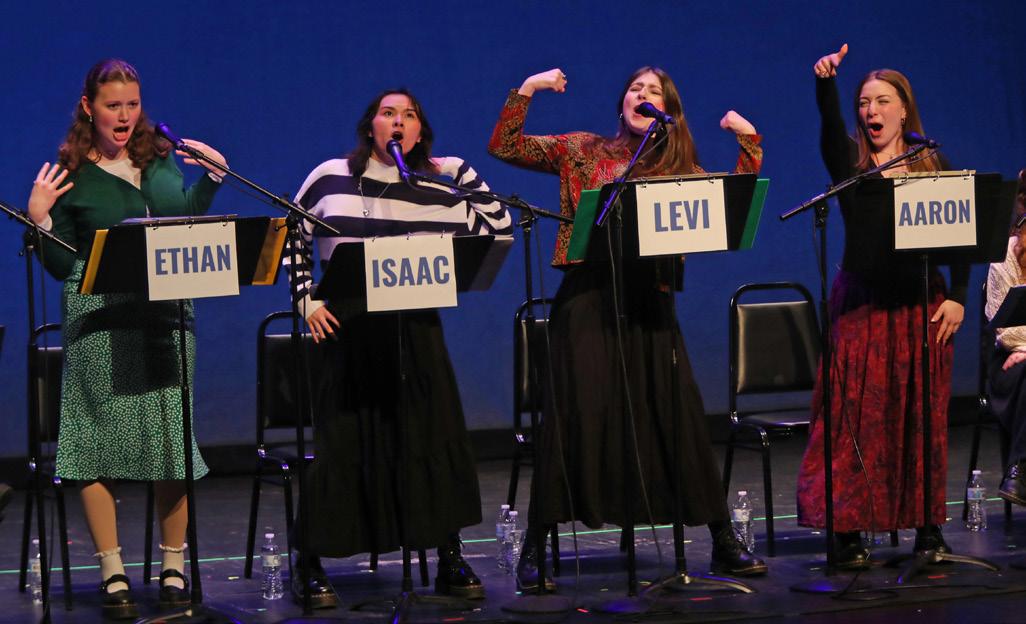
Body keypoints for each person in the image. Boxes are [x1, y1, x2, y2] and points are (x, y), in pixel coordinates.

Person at [488, 66, 767, 590]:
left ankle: (723, 541)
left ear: (668, 112)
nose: (643, 95)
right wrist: (529, 89)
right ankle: (535, 548)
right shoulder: (582, 150)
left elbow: (735, 204)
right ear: (622, 104)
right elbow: (505, 145)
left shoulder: (680, 171)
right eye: (636, 89)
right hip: (587, 300)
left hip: (651, 305)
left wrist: (747, 140)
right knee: (572, 419)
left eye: (654, 91)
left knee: (678, 414)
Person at [285, 88, 512, 607]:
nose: (398, 121)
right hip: (349, 331)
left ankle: (448, 554)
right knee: (342, 446)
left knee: (431, 438)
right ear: (371, 126)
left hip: (417, 330)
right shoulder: (330, 177)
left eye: (409, 115)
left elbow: (498, 229)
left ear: (419, 133)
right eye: (388, 113)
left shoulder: (437, 187)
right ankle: (310, 560)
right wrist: (305, 301)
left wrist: (461, 171)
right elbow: (291, 235)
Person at [26, 59, 227, 617]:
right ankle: (111, 569)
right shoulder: (71, 174)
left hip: (166, 315)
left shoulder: (160, 160)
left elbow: (184, 222)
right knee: (95, 442)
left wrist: (211, 179)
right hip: (100, 320)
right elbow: (59, 265)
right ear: (88, 107)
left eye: (132, 105)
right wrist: (40, 220)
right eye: (112, 105)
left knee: (170, 441)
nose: (124, 116)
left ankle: (173, 566)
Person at [796, 45, 968, 569]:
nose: (871, 110)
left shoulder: (932, 163)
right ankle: (847, 531)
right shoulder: (851, 165)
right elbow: (830, 130)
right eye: (864, 102)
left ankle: (928, 528)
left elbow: (963, 236)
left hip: (921, 306)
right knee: (855, 416)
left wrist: (958, 296)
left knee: (920, 416)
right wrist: (826, 84)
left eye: (883, 101)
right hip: (863, 305)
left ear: (903, 109)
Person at [986, 169, 1026, 504]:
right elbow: (1007, 329)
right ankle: (1020, 469)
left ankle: (1020, 469)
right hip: (1010, 363)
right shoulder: (1006, 254)